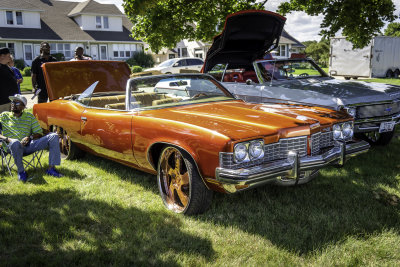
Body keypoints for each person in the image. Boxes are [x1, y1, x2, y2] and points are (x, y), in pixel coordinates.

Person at [0, 94, 63, 182]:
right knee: (15, 142)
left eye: (17, 103)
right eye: (13, 102)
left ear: (23, 106)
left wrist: (29, 137)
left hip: (28, 146)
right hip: (11, 147)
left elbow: (39, 133)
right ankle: (21, 172)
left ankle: (51, 169)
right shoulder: (4, 116)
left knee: (53, 136)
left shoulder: (29, 117)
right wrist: (9, 139)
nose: (13, 104)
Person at [0, 47, 19, 113]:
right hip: (2, 102)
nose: (10, 57)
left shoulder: (6, 66)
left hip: (10, 100)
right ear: (2, 56)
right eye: (8, 55)